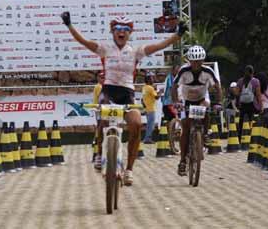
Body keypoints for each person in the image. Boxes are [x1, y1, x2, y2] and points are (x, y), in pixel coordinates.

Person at [60, 12, 187, 185]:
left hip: (127, 94)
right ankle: (99, 153)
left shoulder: (136, 51)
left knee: (135, 125)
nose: (122, 32)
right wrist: (69, 25)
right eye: (118, 29)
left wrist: (178, 35)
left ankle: (129, 170)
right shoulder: (104, 49)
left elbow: (158, 46)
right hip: (108, 91)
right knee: (102, 120)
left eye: (126, 29)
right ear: (112, 32)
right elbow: (83, 41)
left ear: (130, 33)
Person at [171, 45, 222, 176]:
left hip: (201, 97)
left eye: (199, 61)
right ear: (189, 61)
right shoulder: (183, 70)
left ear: (203, 61)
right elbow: (174, 86)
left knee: (207, 108)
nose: (196, 64)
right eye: (193, 61)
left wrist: (219, 103)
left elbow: (217, 87)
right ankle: (182, 161)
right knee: (186, 129)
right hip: (186, 98)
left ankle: (205, 134)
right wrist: (176, 102)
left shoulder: (208, 71)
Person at [236, 66, 262, 139]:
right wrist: (261, 106)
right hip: (252, 104)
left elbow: (237, 93)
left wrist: (239, 101)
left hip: (243, 104)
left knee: (241, 121)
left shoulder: (240, 81)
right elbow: (258, 95)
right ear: (253, 72)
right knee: (252, 120)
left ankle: (240, 137)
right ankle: (252, 137)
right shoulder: (256, 81)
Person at [142, 73, 162, 144]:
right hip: (151, 109)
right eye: (152, 78)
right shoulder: (150, 88)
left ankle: (146, 138)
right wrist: (160, 92)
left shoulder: (145, 87)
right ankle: (147, 139)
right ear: (148, 79)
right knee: (151, 125)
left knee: (149, 125)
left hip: (147, 108)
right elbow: (156, 97)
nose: (153, 79)